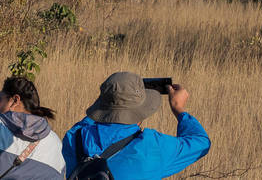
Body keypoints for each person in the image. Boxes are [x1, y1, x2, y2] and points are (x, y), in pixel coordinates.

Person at [62, 72, 211, 180]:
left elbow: (88, 121)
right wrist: (178, 108)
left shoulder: (74, 138)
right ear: (141, 112)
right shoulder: (153, 146)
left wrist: (112, 96)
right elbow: (201, 142)